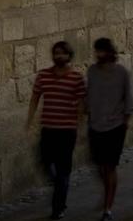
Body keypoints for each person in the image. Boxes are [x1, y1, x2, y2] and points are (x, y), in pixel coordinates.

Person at [28, 41, 87, 220]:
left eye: (62, 53)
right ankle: (60, 189)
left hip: (67, 130)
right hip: (48, 129)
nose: (58, 56)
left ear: (69, 56)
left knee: (63, 170)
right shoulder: (44, 76)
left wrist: (80, 123)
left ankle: (58, 207)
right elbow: (35, 97)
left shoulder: (76, 78)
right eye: (56, 53)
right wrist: (30, 120)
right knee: (45, 162)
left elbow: (82, 104)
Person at [85, 38, 133, 221]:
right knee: (99, 165)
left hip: (115, 126)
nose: (98, 54)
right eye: (96, 51)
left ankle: (108, 207)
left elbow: (129, 97)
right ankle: (107, 189)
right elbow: (88, 94)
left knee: (110, 166)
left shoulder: (121, 72)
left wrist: (127, 119)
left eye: (101, 51)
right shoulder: (92, 71)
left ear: (109, 51)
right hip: (95, 125)